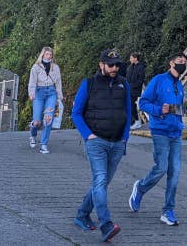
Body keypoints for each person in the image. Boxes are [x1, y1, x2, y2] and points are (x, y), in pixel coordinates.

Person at [71, 49, 132, 242]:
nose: (115, 68)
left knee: (102, 183)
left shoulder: (124, 84)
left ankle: (82, 214)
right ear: (101, 65)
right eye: (111, 64)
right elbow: (76, 113)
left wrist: (125, 138)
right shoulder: (89, 84)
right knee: (99, 181)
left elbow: (129, 112)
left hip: (117, 143)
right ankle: (106, 225)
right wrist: (88, 135)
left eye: (117, 65)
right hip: (96, 142)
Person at [128, 54, 186, 227]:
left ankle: (168, 210)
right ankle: (140, 188)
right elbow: (143, 103)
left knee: (174, 173)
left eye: (184, 62)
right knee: (161, 168)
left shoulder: (180, 85)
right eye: (179, 62)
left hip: (176, 133)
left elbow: (178, 108)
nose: (182, 65)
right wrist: (159, 110)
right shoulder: (159, 80)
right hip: (160, 131)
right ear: (171, 63)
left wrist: (181, 112)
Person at [27, 46, 64, 154]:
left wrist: (60, 96)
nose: (49, 56)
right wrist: (31, 93)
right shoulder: (36, 67)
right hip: (39, 93)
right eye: (47, 54)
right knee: (37, 121)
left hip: (51, 93)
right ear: (43, 54)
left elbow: (58, 82)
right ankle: (33, 135)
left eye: (51, 55)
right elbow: (32, 81)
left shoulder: (55, 67)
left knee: (48, 119)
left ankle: (44, 144)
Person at [126, 53, 146, 130]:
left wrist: (132, 86)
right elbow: (127, 78)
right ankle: (137, 121)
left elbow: (140, 80)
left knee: (132, 106)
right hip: (129, 89)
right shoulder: (130, 67)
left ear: (135, 58)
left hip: (135, 90)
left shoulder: (140, 67)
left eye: (131, 58)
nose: (130, 59)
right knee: (130, 106)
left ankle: (137, 121)